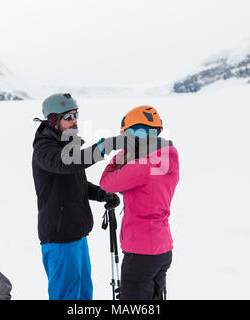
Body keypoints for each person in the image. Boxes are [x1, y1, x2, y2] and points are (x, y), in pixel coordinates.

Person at [32, 93, 123, 300]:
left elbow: (75, 183)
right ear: (53, 120)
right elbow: (68, 163)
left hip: (77, 235)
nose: (74, 120)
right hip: (60, 238)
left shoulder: (67, 147)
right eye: (68, 117)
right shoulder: (45, 149)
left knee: (83, 294)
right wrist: (103, 147)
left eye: (76, 115)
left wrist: (101, 193)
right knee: (67, 296)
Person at [99, 105, 180, 300]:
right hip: (161, 249)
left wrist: (121, 154)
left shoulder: (142, 165)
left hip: (141, 252)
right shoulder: (166, 157)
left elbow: (107, 182)